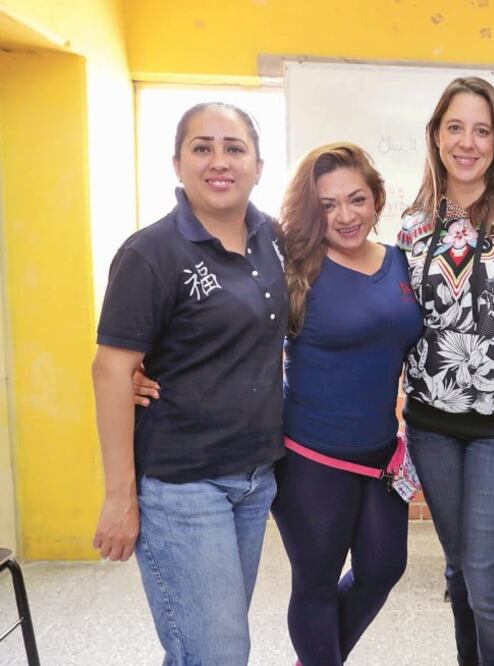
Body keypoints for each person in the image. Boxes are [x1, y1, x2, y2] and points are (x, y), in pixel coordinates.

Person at [92, 102, 287, 664]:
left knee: (200, 648)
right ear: (177, 163)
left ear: (258, 164)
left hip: (253, 479)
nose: (218, 161)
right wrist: (119, 497)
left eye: (234, 148)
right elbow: (110, 369)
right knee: (219, 652)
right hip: (182, 485)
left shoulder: (269, 237)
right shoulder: (150, 252)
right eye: (201, 148)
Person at [396, 76, 494, 666]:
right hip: (430, 423)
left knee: (488, 584)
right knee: (459, 572)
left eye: (481, 130)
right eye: (455, 127)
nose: (467, 142)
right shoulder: (413, 224)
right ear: (437, 136)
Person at [269, 143, 423, 665]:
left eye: (356, 199)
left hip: (381, 452)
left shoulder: (402, 262)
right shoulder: (293, 268)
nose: (345, 216)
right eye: (328, 206)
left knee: (383, 567)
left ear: (376, 198)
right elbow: (227, 327)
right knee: (315, 583)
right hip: (310, 456)